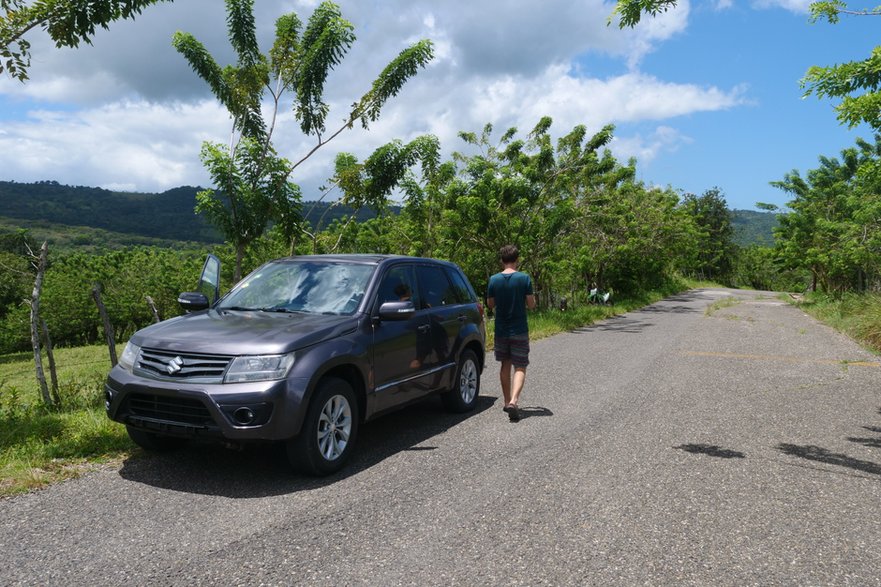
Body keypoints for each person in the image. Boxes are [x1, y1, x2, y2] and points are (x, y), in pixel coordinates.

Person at [486, 244, 536, 422]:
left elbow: (490, 304)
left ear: (502, 260)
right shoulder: (524, 278)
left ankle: (507, 402)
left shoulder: (493, 280)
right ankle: (515, 401)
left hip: (501, 330)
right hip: (519, 329)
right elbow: (531, 304)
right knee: (520, 366)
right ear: (517, 260)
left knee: (504, 365)